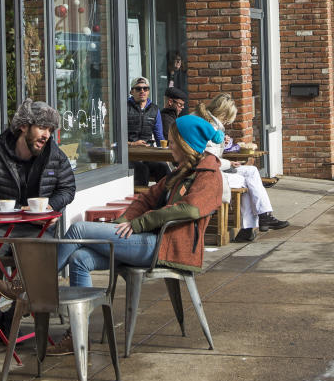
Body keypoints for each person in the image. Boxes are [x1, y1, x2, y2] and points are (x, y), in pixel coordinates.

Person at [57, 113, 225, 287]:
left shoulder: (209, 175)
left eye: (173, 142)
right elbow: (146, 198)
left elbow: (190, 209)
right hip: (153, 240)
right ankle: (80, 314)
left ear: (186, 144)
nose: (170, 147)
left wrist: (140, 223)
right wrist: (123, 221)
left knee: (78, 229)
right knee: (79, 258)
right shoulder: (182, 171)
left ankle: (36, 286)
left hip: (168, 247)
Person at [0, 99, 75, 339]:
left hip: (37, 228)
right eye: (42, 128)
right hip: (1, 229)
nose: (47, 135)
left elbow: (67, 189)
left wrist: (51, 207)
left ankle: (19, 309)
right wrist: (18, 209)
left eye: (50, 130)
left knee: (41, 252)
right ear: (24, 126)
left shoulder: (53, 154)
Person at [196, 93, 288, 242]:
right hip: (210, 172)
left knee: (251, 171)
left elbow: (212, 153)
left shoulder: (212, 124)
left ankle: (259, 219)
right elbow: (209, 159)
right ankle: (254, 223)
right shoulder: (211, 127)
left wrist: (223, 146)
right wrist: (229, 163)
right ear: (222, 113)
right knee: (247, 181)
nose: (227, 122)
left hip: (215, 167)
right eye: (227, 119)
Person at [127, 76, 170, 187]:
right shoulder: (124, 108)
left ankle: (166, 200)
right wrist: (132, 144)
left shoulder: (154, 109)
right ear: (132, 91)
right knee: (142, 170)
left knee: (163, 168)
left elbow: (159, 136)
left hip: (148, 154)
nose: (142, 91)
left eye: (145, 88)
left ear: (149, 91)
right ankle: (141, 202)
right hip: (129, 154)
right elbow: (116, 138)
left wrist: (164, 156)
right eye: (138, 89)